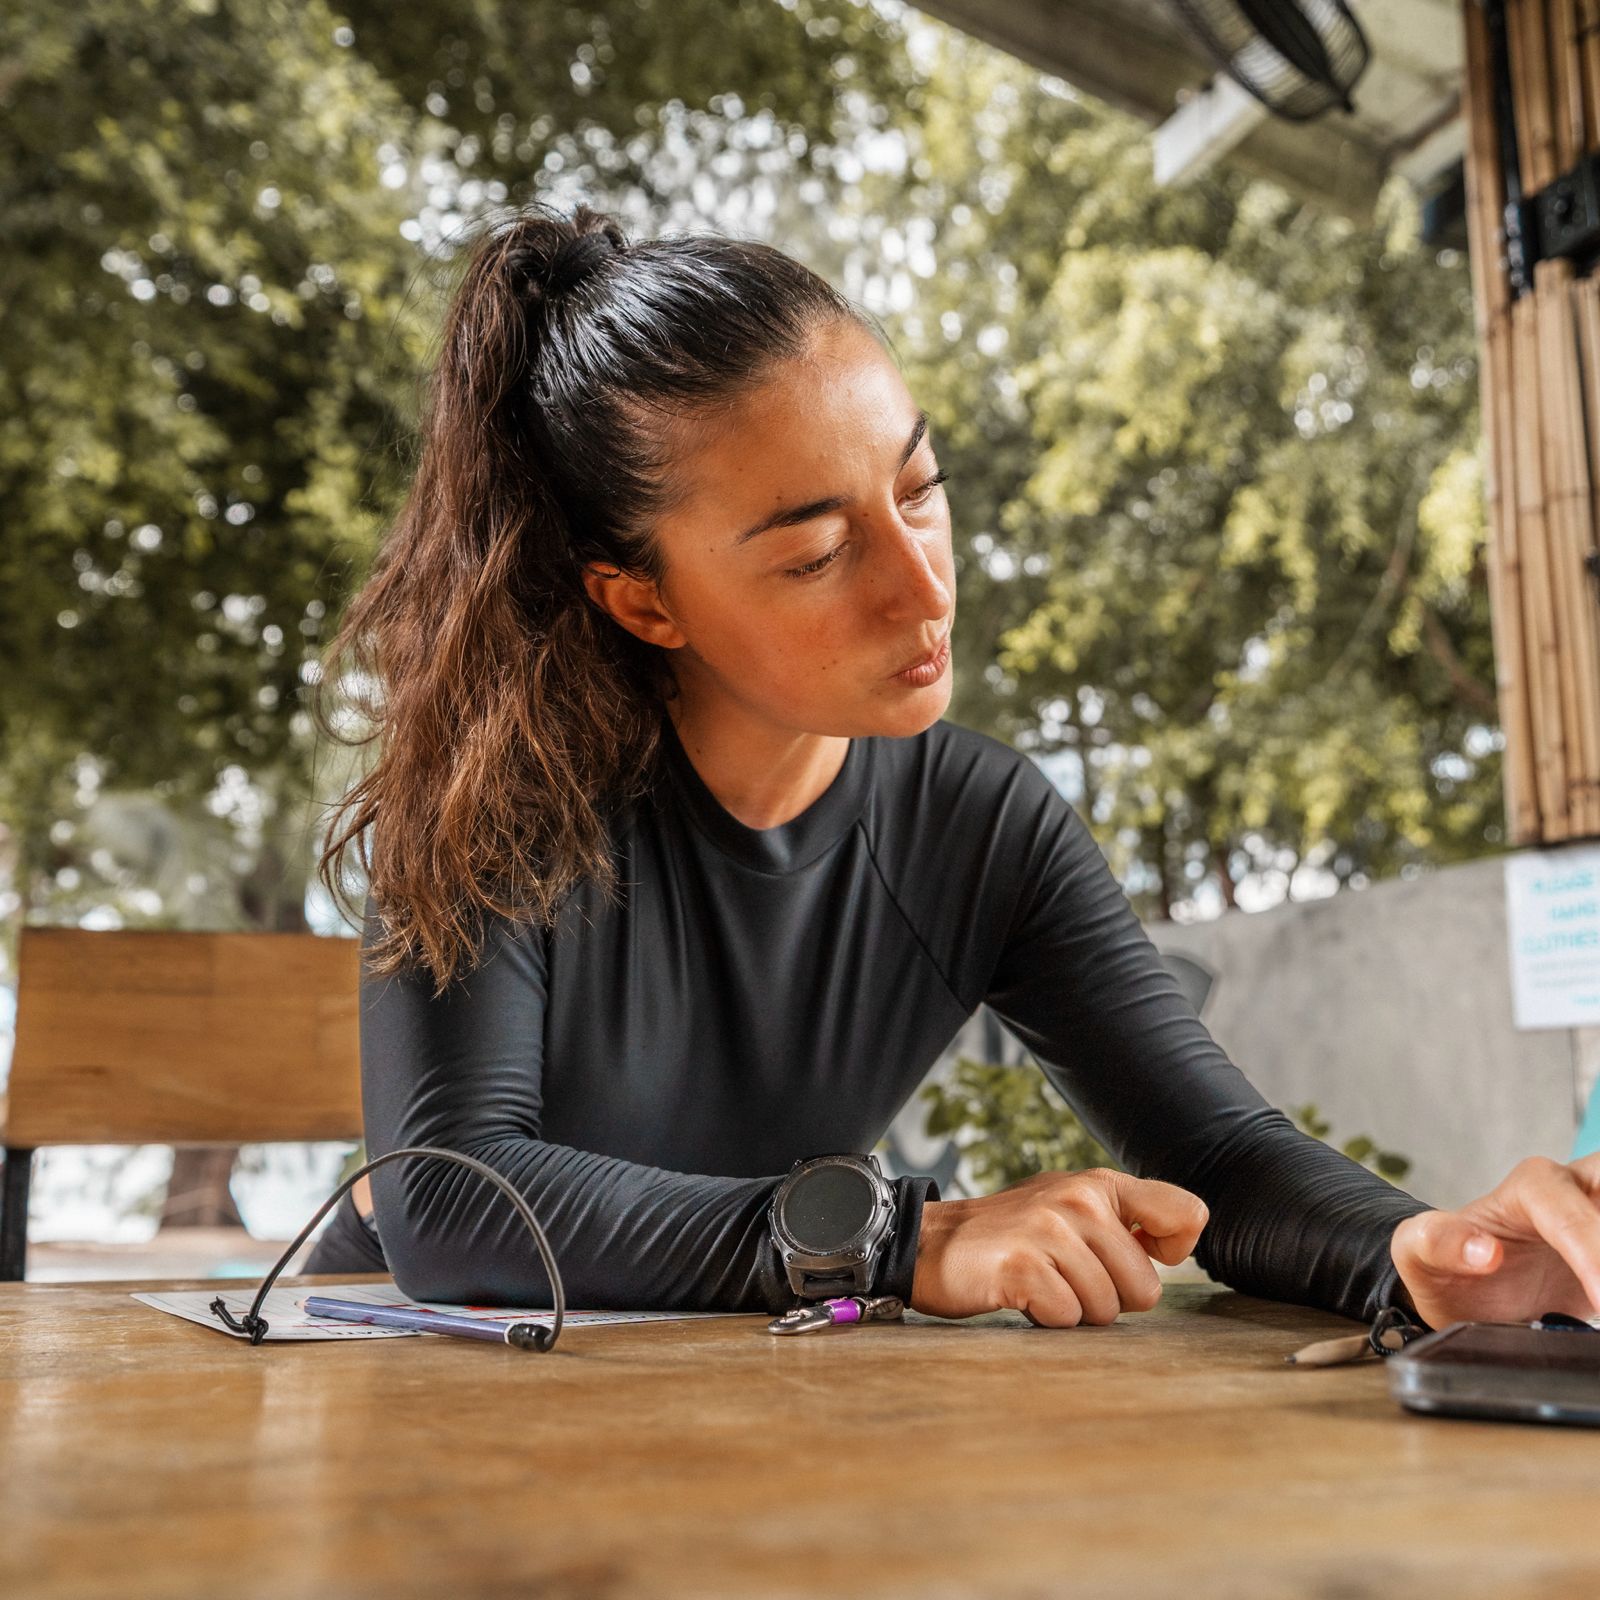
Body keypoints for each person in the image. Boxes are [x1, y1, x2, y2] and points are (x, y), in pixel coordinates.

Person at [302, 199, 1600, 1333]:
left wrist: (1421, 1255)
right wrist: (900, 1242)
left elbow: (1214, 1149)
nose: (923, 590)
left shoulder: (983, 824)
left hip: (723, 1409)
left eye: (919, 491)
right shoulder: (494, 811)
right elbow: (448, 1202)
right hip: (426, 1386)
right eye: (814, 554)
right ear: (642, 601)